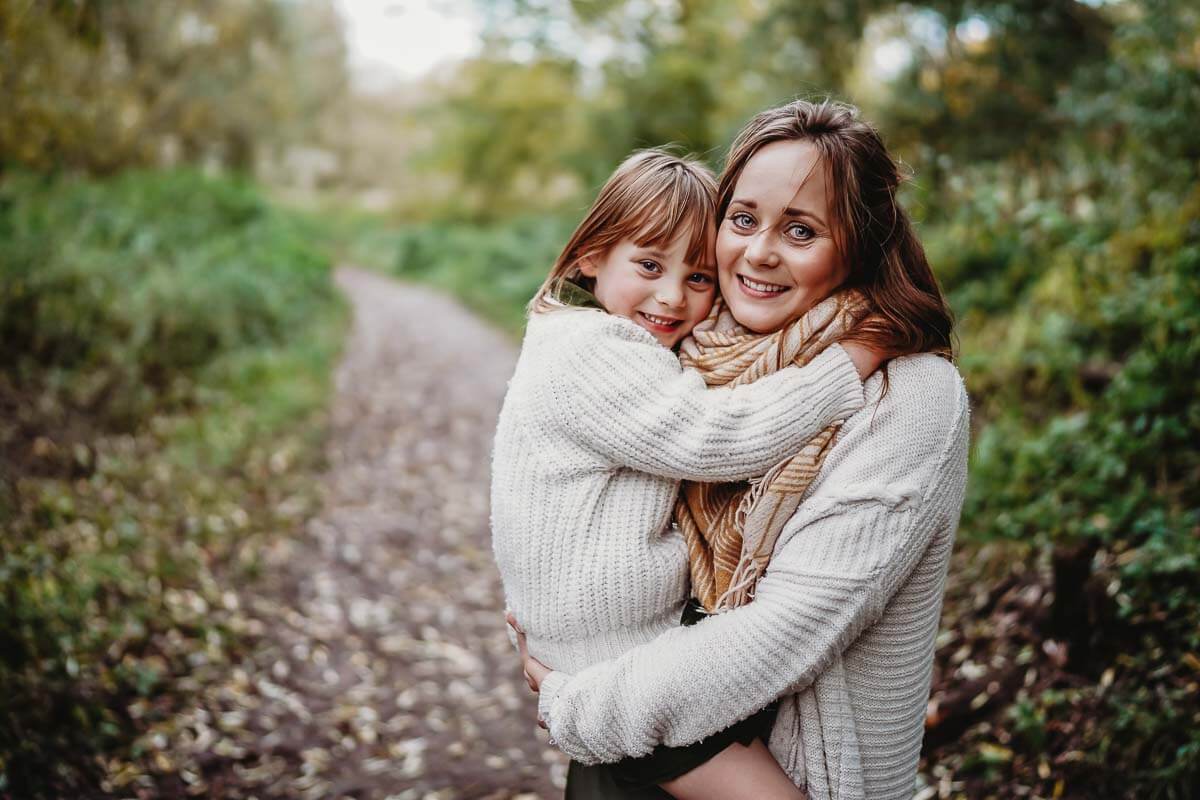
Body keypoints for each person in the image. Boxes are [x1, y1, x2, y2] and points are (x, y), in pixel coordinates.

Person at [511, 99, 968, 800]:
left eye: (801, 229)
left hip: (753, 759)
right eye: (744, 219)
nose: (757, 253)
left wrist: (582, 705)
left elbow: (788, 628)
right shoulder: (693, 347)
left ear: (859, 245)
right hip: (640, 739)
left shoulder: (910, 395)